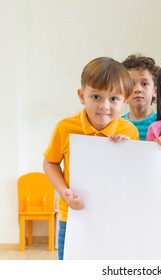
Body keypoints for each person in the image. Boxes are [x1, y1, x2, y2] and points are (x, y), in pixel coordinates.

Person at [43, 57, 139, 260]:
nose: (104, 106)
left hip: (113, 218)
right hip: (73, 218)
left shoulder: (128, 131)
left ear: (126, 100)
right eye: (96, 96)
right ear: (81, 95)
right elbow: (50, 162)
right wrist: (64, 192)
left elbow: (132, 176)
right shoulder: (65, 127)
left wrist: (125, 151)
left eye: (114, 99)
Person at [121, 53, 160, 140]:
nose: (138, 89)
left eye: (145, 84)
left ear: (155, 91)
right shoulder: (116, 124)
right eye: (131, 84)